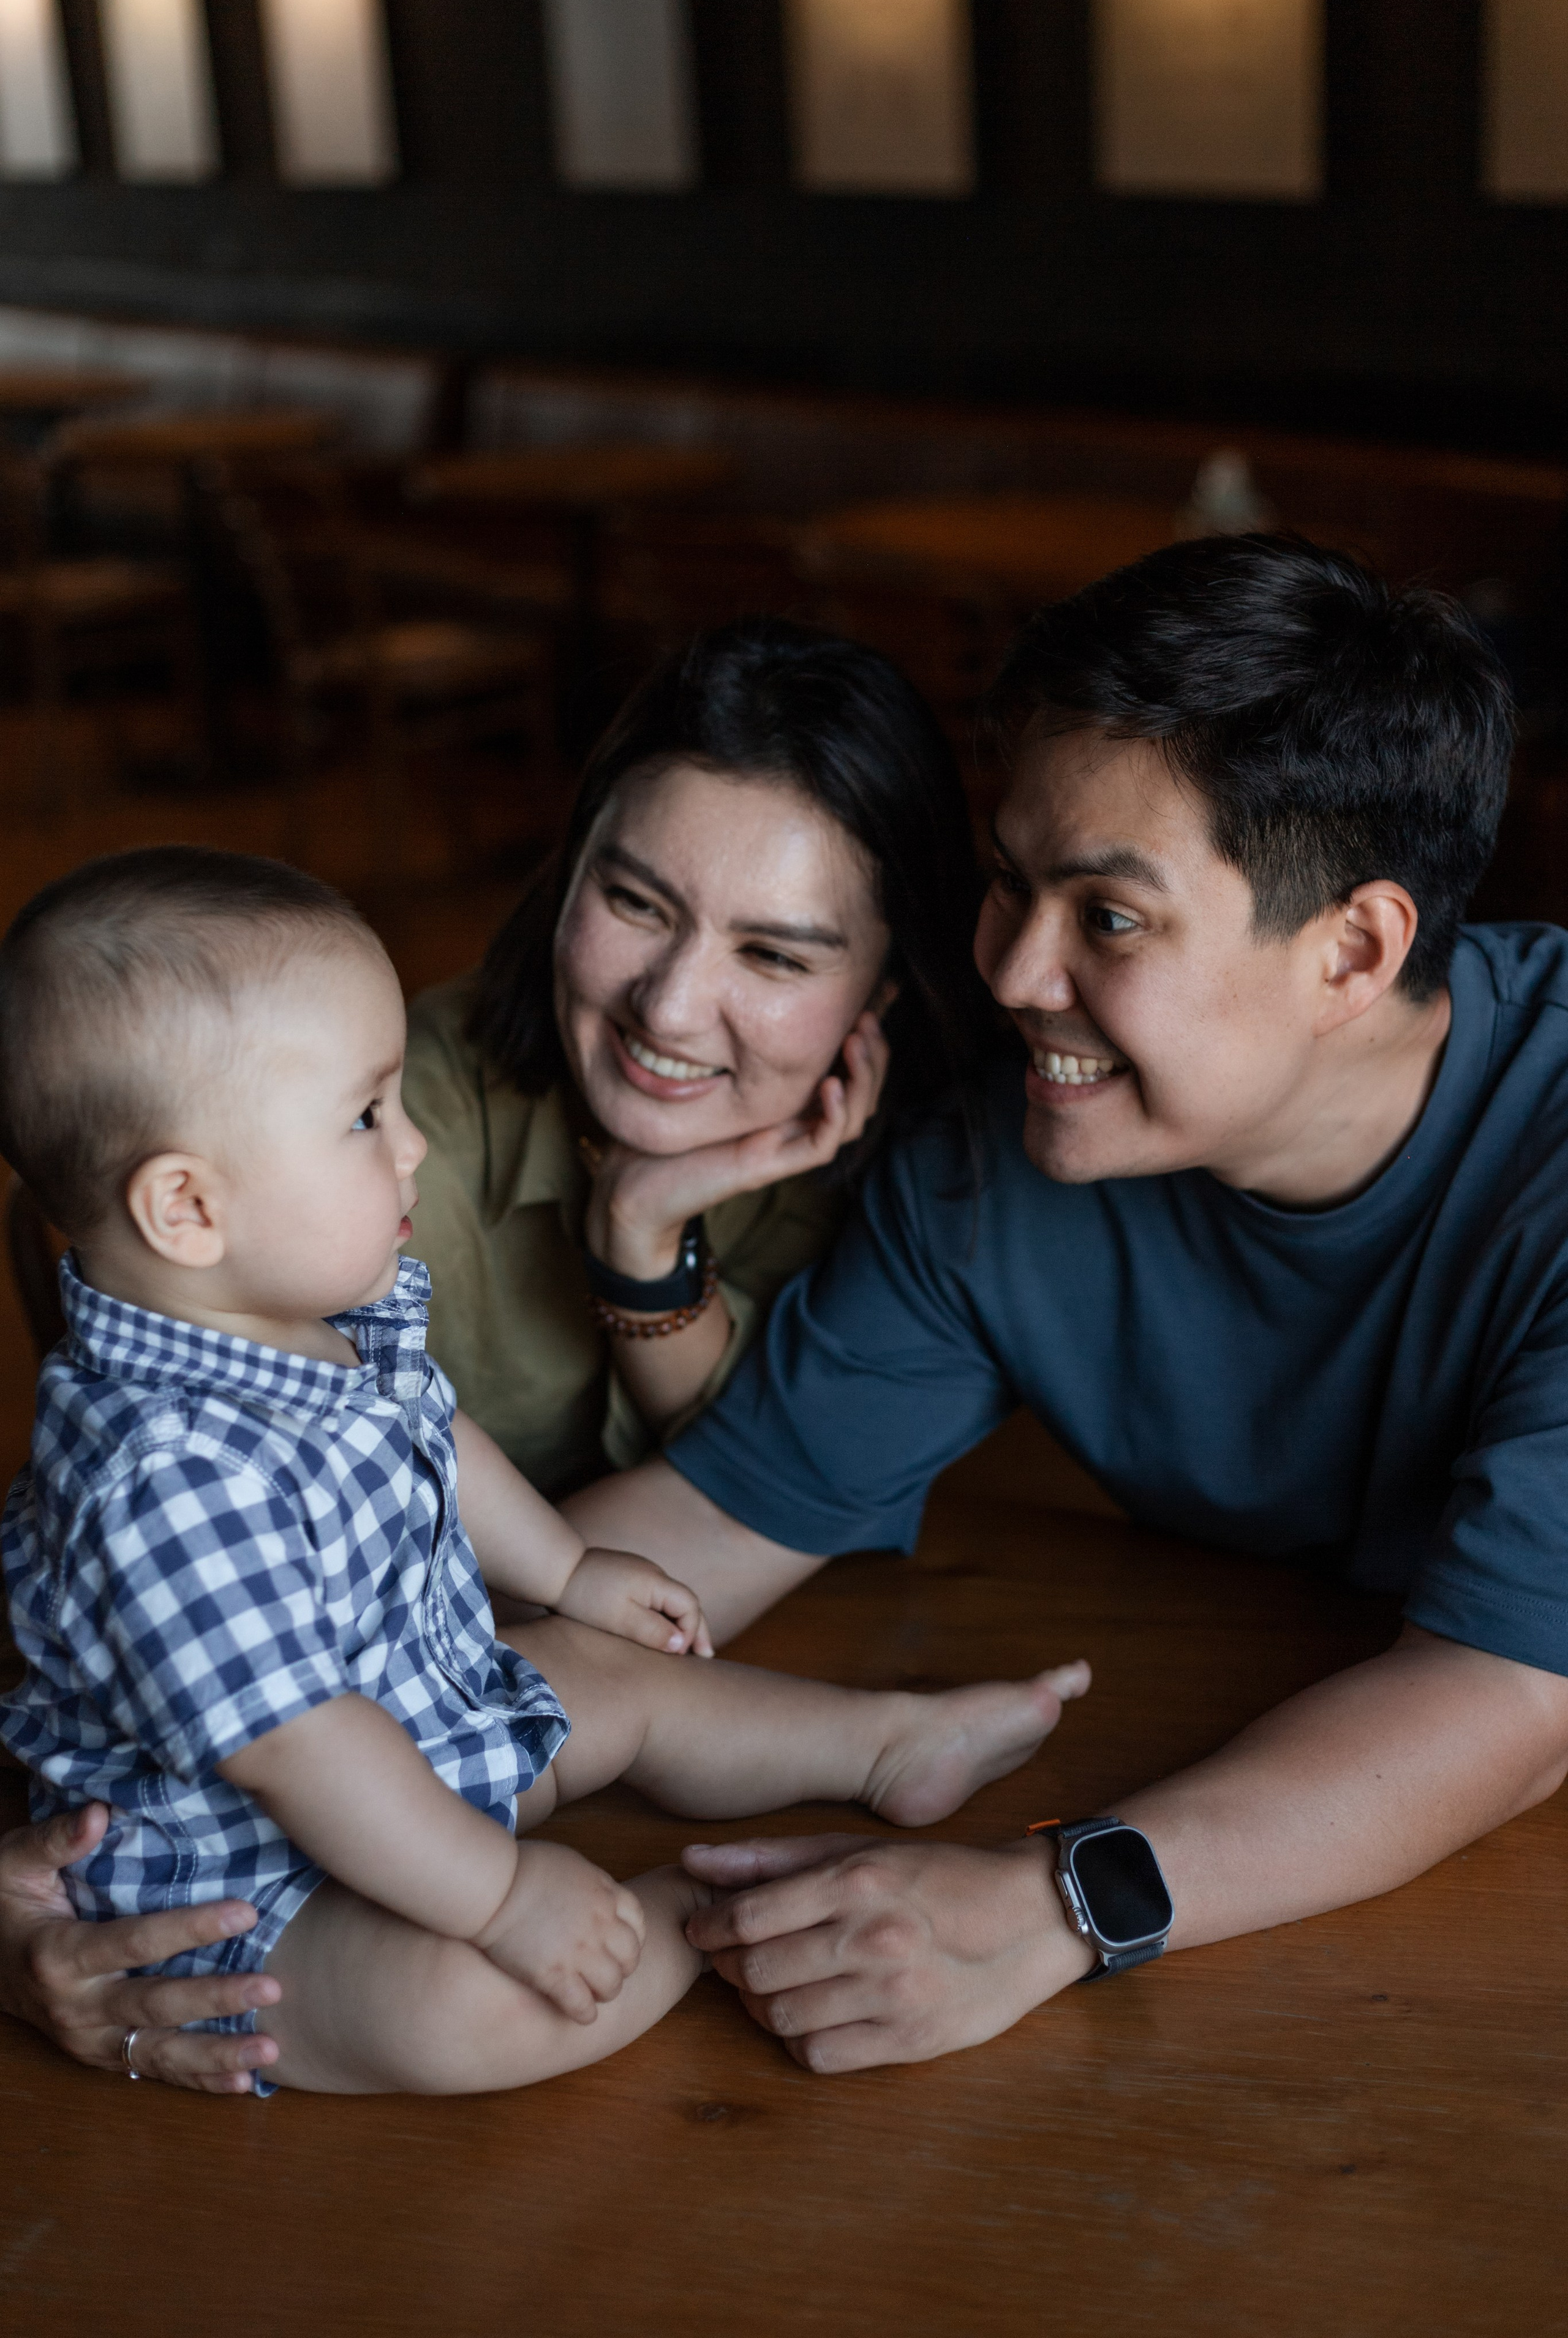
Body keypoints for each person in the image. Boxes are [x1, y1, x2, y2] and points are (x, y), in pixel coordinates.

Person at [20, 531, 1568, 2087]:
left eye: (1105, 917)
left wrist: (1050, 1903)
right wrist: (61, 1859)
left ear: (1351, 950)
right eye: (1009, 883)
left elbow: (1510, 1693)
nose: (1011, 974)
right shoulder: (995, 1160)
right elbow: (707, 1525)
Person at [0, 847, 1084, 2094]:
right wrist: (506, 1899)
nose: (410, 1145)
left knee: (614, 1675)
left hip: (414, 1733)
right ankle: (709, 1917)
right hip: (255, 1874)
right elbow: (304, 1752)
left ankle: (886, 1742)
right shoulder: (161, 1480)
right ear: (188, 1210)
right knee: (454, 2012)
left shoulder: (300, 1315)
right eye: (364, 1118)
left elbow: (435, 1436)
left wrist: (566, 1572)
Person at [401, 617, 990, 1494]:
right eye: (637, 903)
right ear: (571, 871)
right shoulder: (396, 1158)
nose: (668, 1010)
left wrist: (640, 1241)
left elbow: (771, 1493)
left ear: (883, 995)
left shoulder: (920, 1176)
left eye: (773, 956)